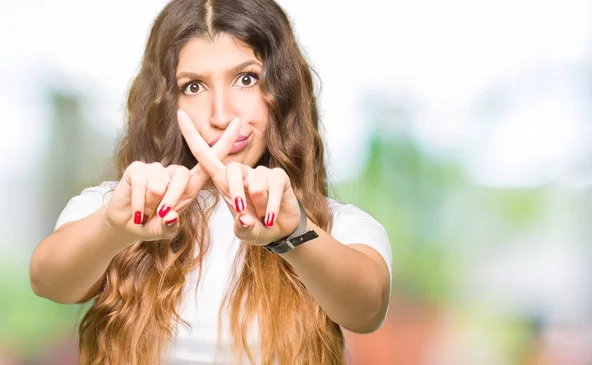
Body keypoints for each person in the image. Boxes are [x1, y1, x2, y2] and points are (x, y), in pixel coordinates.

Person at [29, 0, 392, 364]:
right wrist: (115, 228)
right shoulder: (119, 204)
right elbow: (48, 281)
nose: (221, 115)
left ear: (282, 92)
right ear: (166, 104)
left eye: (246, 79)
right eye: (193, 87)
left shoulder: (334, 225)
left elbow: (367, 311)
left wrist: (294, 234)